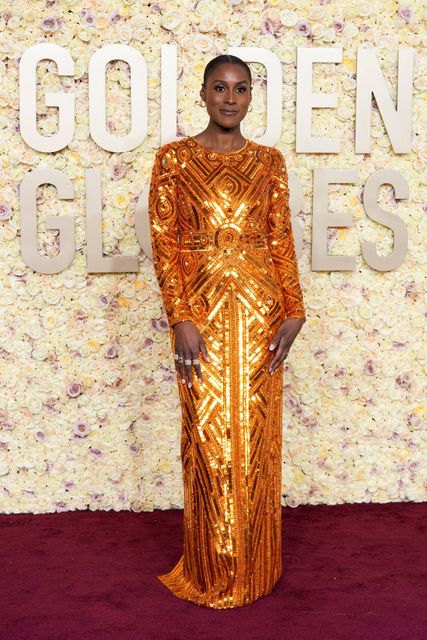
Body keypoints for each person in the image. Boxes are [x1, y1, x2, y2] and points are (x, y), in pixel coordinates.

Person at [148, 54, 306, 609]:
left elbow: (280, 236)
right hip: (202, 318)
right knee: (209, 440)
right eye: (220, 87)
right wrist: (180, 317)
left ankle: (258, 564)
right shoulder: (173, 160)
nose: (230, 98)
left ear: (250, 97)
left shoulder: (270, 162)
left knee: (257, 438)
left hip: (262, 313)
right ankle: (212, 565)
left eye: (240, 89)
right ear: (203, 93)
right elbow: (164, 242)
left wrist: (295, 307)